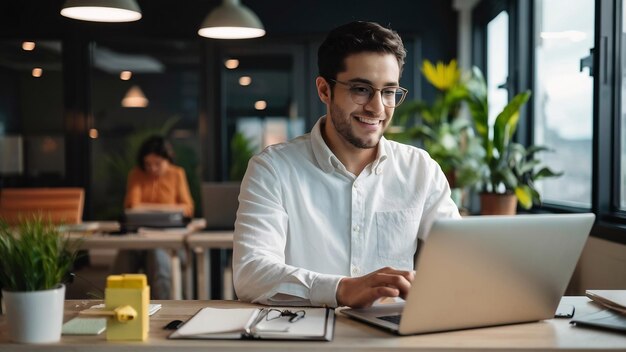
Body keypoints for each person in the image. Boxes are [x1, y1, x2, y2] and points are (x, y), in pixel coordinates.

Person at [232, 21, 460, 309]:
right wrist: (340, 289)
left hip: (390, 338)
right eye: (362, 89)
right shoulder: (273, 169)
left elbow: (461, 263)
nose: (377, 108)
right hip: (302, 337)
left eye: (388, 92)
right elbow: (251, 273)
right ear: (325, 90)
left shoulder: (421, 170)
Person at [113, 135, 194, 299]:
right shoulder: (136, 174)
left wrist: (148, 208)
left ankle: (162, 308)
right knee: (124, 256)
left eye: (158, 164)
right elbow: (131, 206)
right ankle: (119, 306)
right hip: (137, 236)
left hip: (165, 237)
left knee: (157, 257)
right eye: (148, 164)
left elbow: (188, 208)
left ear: (168, 159)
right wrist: (168, 210)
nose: (152, 169)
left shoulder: (177, 174)